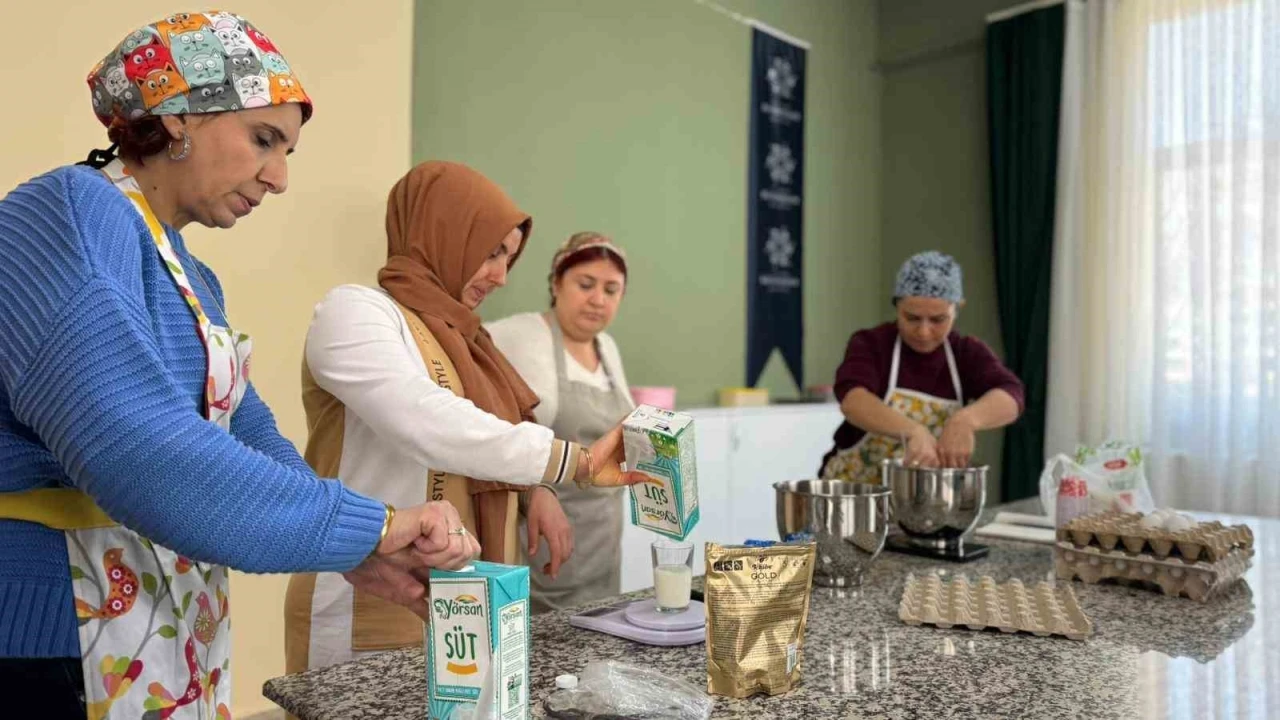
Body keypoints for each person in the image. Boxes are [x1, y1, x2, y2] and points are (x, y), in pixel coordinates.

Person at [0, 12, 478, 718]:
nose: (279, 178)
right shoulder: (66, 215)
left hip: (145, 615)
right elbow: (136, 448)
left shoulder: (191, 274)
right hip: (49, 632)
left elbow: (245, 433)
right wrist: (372, 527)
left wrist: (357, 547)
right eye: (263, 139)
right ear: (177, 116)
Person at [285, 164, 642, 672]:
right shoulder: (355, 312)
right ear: (442, 231)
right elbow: (427, 420)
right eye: (491, 252)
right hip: (368, 597)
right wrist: (573, 461)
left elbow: (492, 427)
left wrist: (533, 490)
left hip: (464, 599)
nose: (500, 276)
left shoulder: (472, 341)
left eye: (509, 259)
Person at [487, 232, 635, 612]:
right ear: (556, 283)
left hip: (602, 542)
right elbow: (493, 430)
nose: (598, 299)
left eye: (611, 290)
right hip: (543, 537)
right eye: (585, 284)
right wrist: (533, 490)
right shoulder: (518, 335)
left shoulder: (608, 347)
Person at [819, 251, 1025, 482]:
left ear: (957, 309)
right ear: (897, 306)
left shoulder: (966, 353)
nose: (924, 332)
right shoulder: (871, 344)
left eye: (938, 320)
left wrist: (966, 420)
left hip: (926, 496)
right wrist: (912, 431)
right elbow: (853, 400)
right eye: (912, 318)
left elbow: (1011, 395)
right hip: (856, 492)